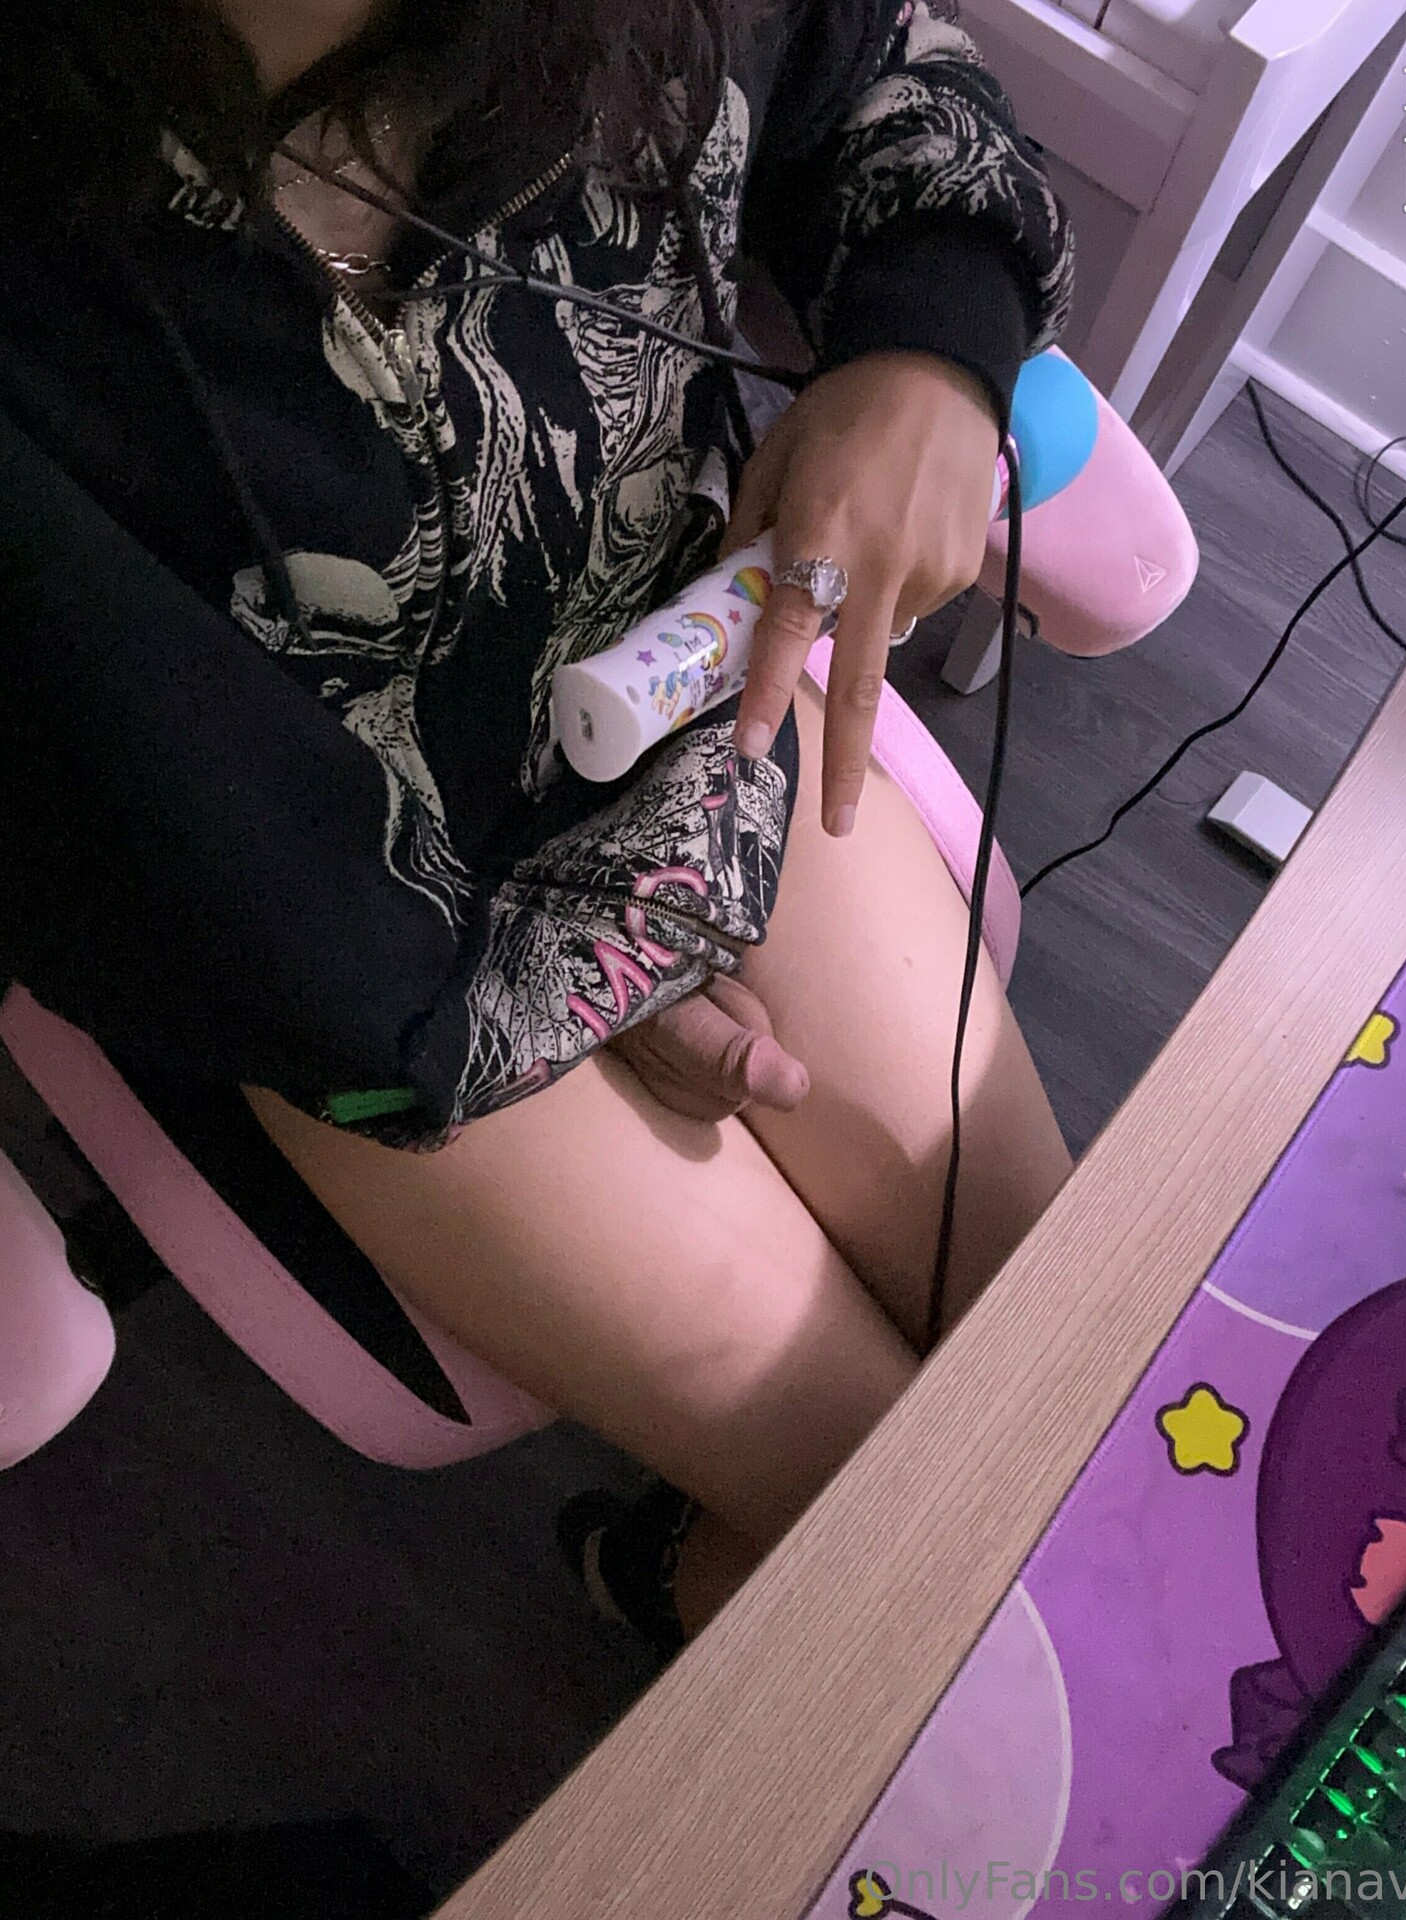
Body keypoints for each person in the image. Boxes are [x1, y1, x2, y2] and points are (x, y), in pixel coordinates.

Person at [0, 0, 1074, 1654]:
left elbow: (889, 80)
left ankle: (698, 1566)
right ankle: (690, 1576)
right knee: (955, 1571)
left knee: (1089, 1379)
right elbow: (172, 859)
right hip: (360, 960)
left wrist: (931, 353)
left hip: (689, 705)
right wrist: (551, 988)